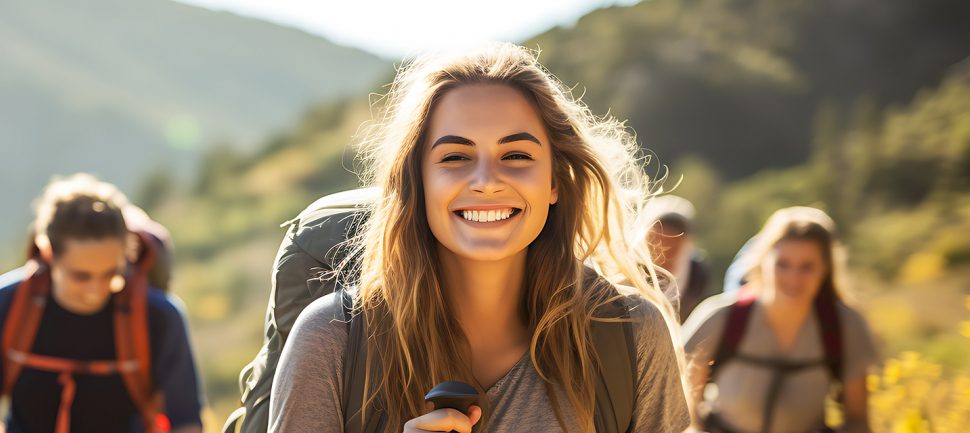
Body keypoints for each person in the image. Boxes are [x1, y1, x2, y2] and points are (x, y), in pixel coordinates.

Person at [269, 43, 689, 433]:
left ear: (555, 181)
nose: (487, 181)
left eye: (517, 155)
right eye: (455, 157)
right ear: (417, 182)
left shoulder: (630, 334)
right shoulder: (331, 340)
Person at [0, 173, 203, 433]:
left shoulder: (158, 316)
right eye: (81, 276)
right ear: (48, 254)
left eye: (111, 274)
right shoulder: (7, 302)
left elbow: (186, 418)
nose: (96, 290)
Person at [682, 207, 877, 433]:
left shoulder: (845, 325)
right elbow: (680, 412)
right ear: (763, 261)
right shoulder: (720, 316)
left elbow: (858, 421)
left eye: (807, 267)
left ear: (825, 269)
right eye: (782, 264)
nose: (793, 278)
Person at [642, 195, 712, 321]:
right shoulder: (628, 269)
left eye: (673, 250)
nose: (664, 257)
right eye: (658, 247)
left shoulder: (696, 274)